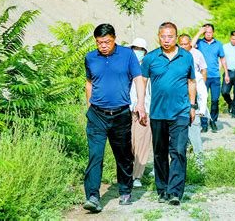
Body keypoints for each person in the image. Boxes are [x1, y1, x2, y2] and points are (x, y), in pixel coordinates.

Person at [83, 24, 145, 212]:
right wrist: (89, 108)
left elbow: (138, 79)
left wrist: (140, 104)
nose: (103, 45)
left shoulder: (127, 55)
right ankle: (93, 196)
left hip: (120, 115)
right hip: (97, 115)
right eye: (99, 42)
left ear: (114, 38)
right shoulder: (90, 57)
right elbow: (89, 83)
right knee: (95, 155)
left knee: (123, 155)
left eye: (107, 42)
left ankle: (125, 190)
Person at [141, 22, 196, 206]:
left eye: (170, 36)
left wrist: (192, 105)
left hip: (180, 112)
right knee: (160, 153)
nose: (166, 40)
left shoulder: (186, 57)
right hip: (157, 113)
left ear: (176, 36)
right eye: (163, 36)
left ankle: (175, 192)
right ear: (158, 37)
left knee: (179, 151)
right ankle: (162, 189)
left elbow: (191, 81)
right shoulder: (150, 58)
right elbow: (142, 80)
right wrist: (141, 104)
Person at [192, 24, 229, 133]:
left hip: (215, 76)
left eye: (210, 32)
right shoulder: (199, 43)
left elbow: (222, 59)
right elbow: (190, 45)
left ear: (213, 33)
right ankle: (204, 124)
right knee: (203, 100)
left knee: (214, 100)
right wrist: (199, 32)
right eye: (206, 32)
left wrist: (226, 73)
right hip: (203, 77)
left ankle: (213, 120)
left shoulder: (218, 44)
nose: (208, 34)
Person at [178, 34, 208, 155]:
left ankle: (199, 162)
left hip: (191, 105)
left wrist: (201, 108)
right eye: (181, 44)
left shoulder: (196, 71)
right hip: (176, 106)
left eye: (186, 44)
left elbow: (202, 91)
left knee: (195, 133)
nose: (184, 46)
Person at [129, 38, 153, 189]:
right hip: (127, 110)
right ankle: (128, 172)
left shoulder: (148, 68)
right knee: (130, 143)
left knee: (142, 144)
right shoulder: (126, 67)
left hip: (145, 110)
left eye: (140, 49)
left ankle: (137, 176)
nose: (137, 51)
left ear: (145, 52)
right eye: (135, 48)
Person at [221, 31, 235, 117]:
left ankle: (234, 111)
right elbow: (222, 60)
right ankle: (230, 102)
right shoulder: (224, 47)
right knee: (224, 91)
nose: (234, 40)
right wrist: (225, 73)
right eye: (232, 39)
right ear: (230, 38)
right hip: (228, 72)